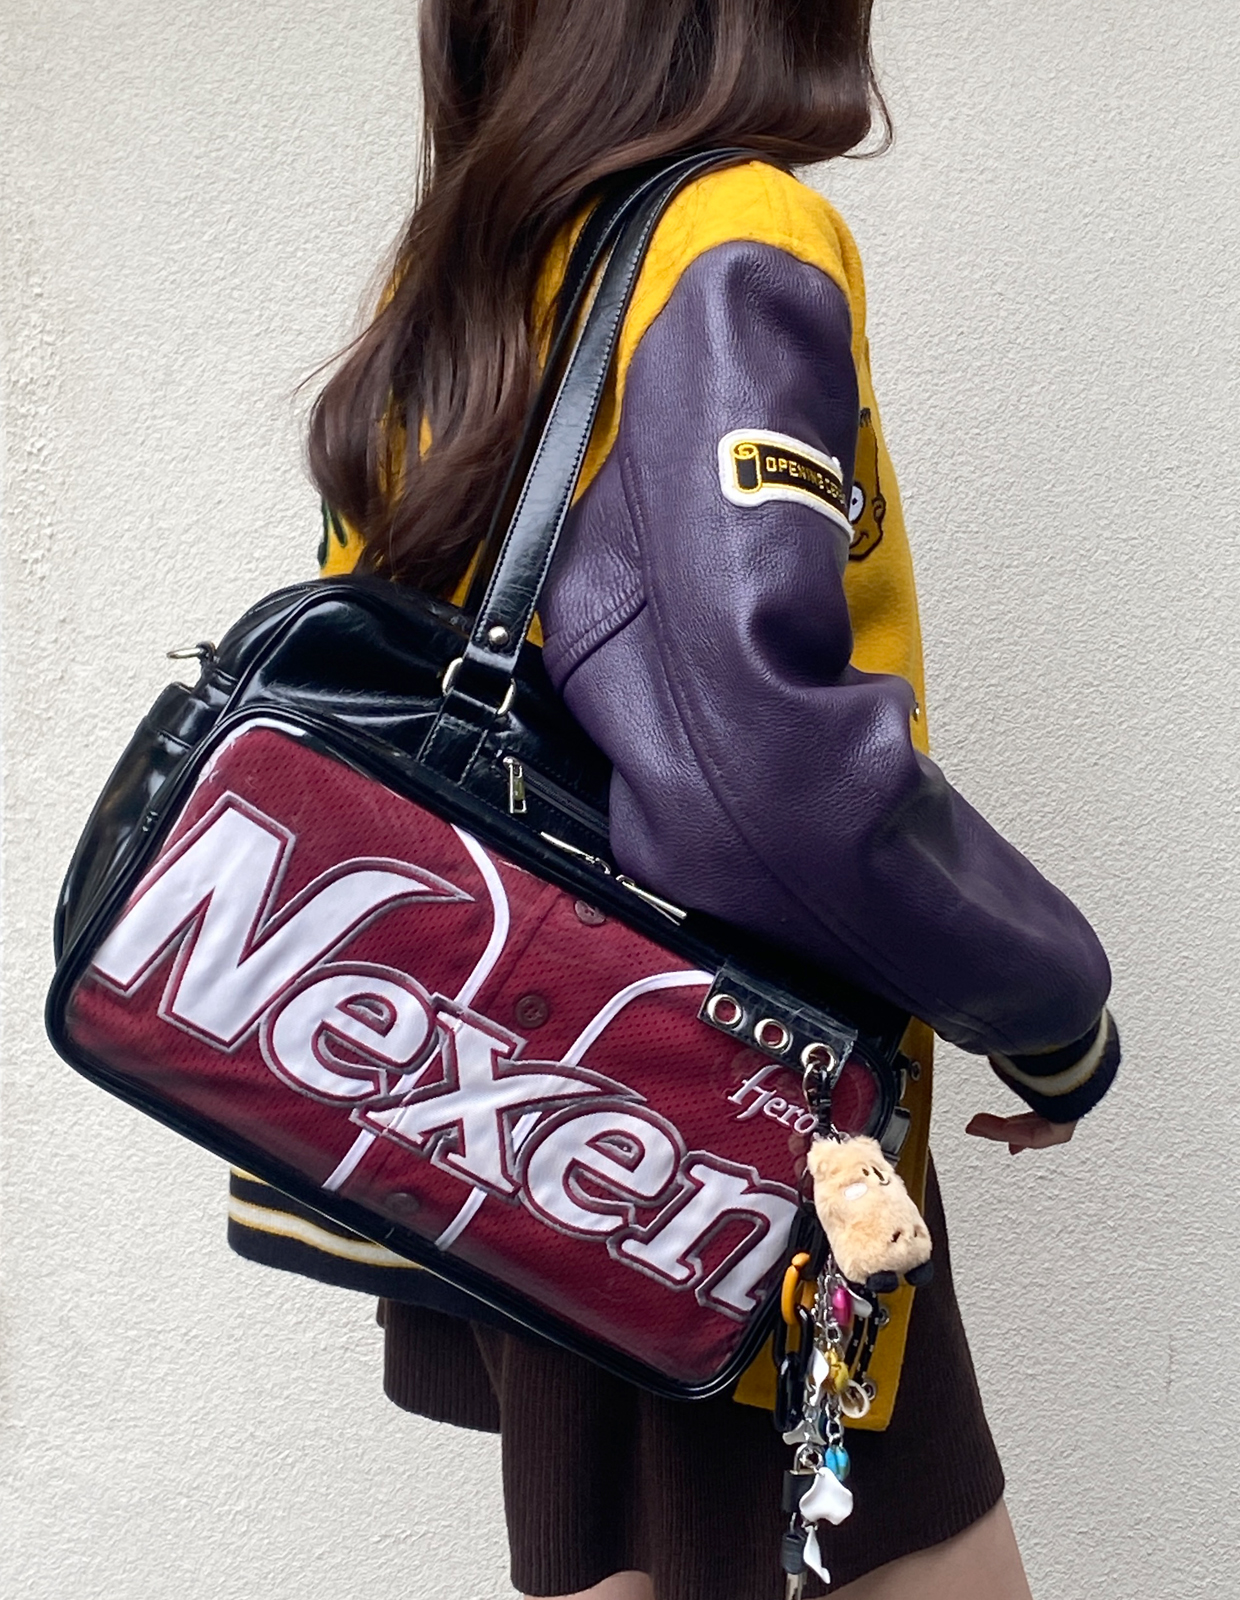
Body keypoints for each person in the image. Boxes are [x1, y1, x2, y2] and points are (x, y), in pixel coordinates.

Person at [231, 3, 1121, 1595]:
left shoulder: (469, 258)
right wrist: (1049, 1003)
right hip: (715, 1119)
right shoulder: (730, 234)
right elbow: (765, 777)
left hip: (491, 1096)